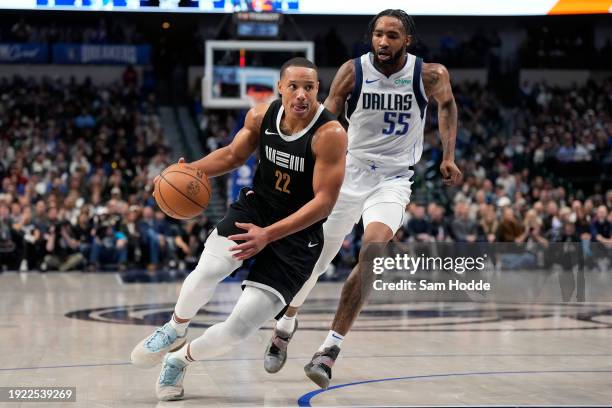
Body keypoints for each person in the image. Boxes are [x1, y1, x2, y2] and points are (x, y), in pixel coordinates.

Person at [263, 9, 462, 389]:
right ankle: (285, 325)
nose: (383, 42)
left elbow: (447, 104)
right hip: (348, 172)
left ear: (408, 41)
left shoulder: (430, 74)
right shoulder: (353, 71)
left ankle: (329, 350)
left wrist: (449, 156)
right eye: (378, 35)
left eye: (392, 35)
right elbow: (327, 121)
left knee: (373, 253)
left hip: (393, 179)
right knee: (315, 262)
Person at [130, 57, 347, 401]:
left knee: (238, 328)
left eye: (310, 87)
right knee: (207, 271)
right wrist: (185, 171)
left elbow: (323, 204)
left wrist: (268, 236)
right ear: (280, 87)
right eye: (294, 86)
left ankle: (179, 360)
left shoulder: (330, 134)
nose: (302, 94)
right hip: (256, 209)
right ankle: (175, 328)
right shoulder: (261, 116)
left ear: (318, 90)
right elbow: (232, 155)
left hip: (296, 235)